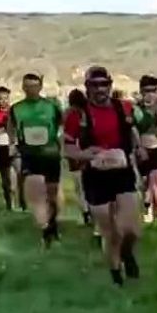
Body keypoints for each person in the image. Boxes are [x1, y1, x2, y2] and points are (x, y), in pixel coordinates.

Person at [62, 67, 145, 284]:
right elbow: (67, 147)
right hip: (95, 176)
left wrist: (139, 148)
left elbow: (137, 129)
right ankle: (116, 275)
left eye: (104, 84)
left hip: (122, 172)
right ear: (87, 88)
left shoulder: (124, 108)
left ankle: (127, 252)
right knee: (110, 232)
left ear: (110, 85)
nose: (100, 89)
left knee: (131, 229)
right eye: (94, 85)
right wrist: (85, 154)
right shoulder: (77, 115)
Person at [9, 73, 67, 245]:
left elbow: (63, 125)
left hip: (50, 153)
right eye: (27, 86)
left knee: (52, 193)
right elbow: (11, 129)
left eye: (34, 86)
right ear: (23, 87)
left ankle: (54, 222)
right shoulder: (17, 108)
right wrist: (12, 146)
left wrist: (62, 144)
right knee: (35, 192)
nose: (31, 89)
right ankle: (45, 228)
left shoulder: (51, 106)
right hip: (29, 154)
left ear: (40, 87)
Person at [132, 75, 157, 224]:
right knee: (146, 183)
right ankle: (148, 208)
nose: (150, 94)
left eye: (153, 90)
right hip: (143, 148)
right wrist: (139, 147)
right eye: (146, 91)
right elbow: (134, 130)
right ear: (141, 92)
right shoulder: (136, 109)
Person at [63, 88, 95, 234]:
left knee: (79, 185)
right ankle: (92, 209)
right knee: (90, 183)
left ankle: (86, 211)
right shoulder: (89, 113)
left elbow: (67, 134)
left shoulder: (70, 114)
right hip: (89, 150)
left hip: (74, 151)